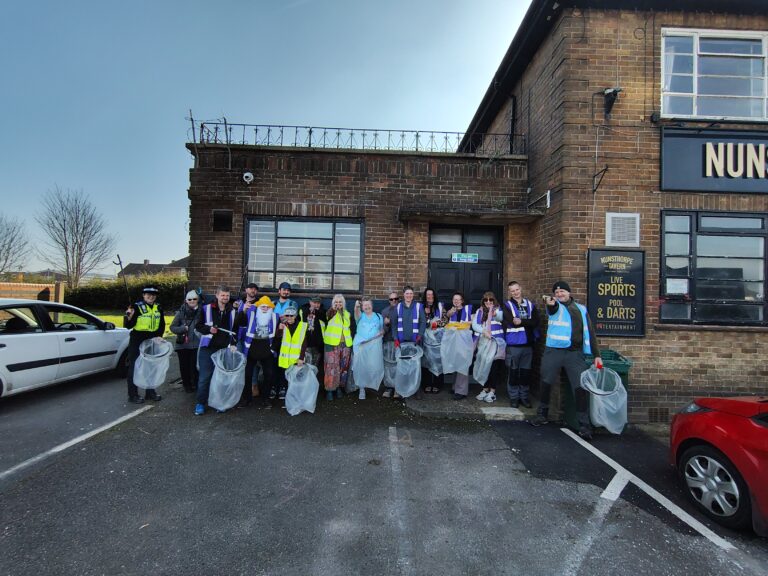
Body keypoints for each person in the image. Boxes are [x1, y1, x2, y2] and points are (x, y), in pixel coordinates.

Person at [531, 281, 602, 441]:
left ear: (569, 292)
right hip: (554, 352)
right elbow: (551, 307)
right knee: (546, 382)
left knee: (580, 387)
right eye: (556, 292)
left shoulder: (582, 309)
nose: (559, 294)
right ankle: (542, 415)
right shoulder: (555, 307)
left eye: (562, 291)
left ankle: (584, 425)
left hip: (574, 354)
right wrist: (550, 303)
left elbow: (590, 332)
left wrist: (597, 354)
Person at [194, 285, 237, 415]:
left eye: (227, 296)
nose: (225, 298)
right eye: (223, 295)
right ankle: (200, 403)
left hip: (224, 349)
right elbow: (198, 326)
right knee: (204, 378)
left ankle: (219, 403)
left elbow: (236, 330)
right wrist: (209, 329)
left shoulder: (233, 310)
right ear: (217, 295)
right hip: (208, 348)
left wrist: (233, 343)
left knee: (222, 379)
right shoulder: (206, 308)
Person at [124, 286, 166, 404]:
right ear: (143, 295)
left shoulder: (158, 307)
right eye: (148, 294)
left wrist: (159, 336)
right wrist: (129, 316)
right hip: (137, 339)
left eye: (153, 294)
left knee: (151, 367)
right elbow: (128, 325)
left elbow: (161, 324)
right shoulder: (136, 307)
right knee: (134, 367)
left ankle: (150, 392)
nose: (151, 296)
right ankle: (133, 395)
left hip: (152, 339)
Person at [504, 281, 540, 408]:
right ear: (509, 292)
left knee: (525, 373)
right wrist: (526, 322)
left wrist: (522, 321)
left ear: (521, 289)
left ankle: (524, 397)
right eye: (512, 291)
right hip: (514, 344)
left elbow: (535, 321)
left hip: (528, 344)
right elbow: (511, 322)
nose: (515, 292)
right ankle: (514, 397)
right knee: (513, 373)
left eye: (517, 289)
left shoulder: (530, 305)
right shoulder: (507, 305)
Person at [237, 296, 278, 408]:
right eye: (262, 306)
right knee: (247, 375)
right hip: (251, 349)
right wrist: (244, 310)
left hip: (267, 350)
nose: (265, 308)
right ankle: (246, 399)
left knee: (268, 375)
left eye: (267, 307)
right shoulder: (251, 315)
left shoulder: (275, 317)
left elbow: (278, 334)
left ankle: (266, 399)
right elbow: (240, 321)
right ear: (258, 307)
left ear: (271, 308)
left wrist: (273, 349)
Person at [388, 286, 425, 399]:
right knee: (402, 368)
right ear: (403, 295)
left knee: (416, 367)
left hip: (415, 342)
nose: (409, 295)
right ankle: (401, 389)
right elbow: (393, 324)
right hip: (401, 342)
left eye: (411, 293)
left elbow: (423, 322)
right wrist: (395, 338)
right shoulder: (398, 307)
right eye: (407, 293)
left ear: (413, 295)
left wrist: (420, 335)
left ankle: (415, 389)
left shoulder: (418, 306)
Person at [437, 292, 473, 400]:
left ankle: (461, 391)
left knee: (462, 364)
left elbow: (475, 321)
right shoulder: (450, 311)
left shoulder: (468, 309)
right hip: (453, 342)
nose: (456, 301)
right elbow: (442, 324)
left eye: (458, 299)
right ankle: (455, 387)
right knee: (454, 362)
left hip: (464, 341)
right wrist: (448, 315)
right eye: (454, 299)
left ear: (462, 301)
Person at [473, 291, 507, 404]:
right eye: (486, 300)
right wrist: (483, 331)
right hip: (484, 343)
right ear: (483, 301)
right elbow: (475, 325)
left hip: (497, 343)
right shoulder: (480, 311)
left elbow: (500, 318)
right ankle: (485, 389)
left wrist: (493, 312)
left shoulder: (498, 311)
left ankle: (492, 391)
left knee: (494, 367)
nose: (488, 302)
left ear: (494, 301)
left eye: (490, 300)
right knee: (484, 366)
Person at [272, 305, 308, 404]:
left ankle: (294, 398)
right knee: (284, 377)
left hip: (296, 359)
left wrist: (301, 358)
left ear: (295, 316)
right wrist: (279, 329)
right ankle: (285, 395)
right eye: (287, 315)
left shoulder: (301, 326)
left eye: (292, 316)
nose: (289, 318)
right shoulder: (282, 325)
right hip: (284, 357)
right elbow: (277, 339)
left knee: (295, 380)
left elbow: (304, 344)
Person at [352, 297, 385, 399]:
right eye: (364, 305)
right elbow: (356, 312)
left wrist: (382, 332)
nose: (367, 306)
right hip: (361, 346)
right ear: (362, 307)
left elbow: (381, 330)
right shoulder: (360, 316)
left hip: (373, 348)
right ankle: (362, 389)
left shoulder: (379, 316)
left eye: (368, 304)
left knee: (372, 366)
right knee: (361, 367)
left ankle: (372, 385)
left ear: (372, 305)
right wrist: (356, 306)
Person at [169, 290, 201, 393]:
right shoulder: (180, 312)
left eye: (194, 299)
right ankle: (186, 385)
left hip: (196, 344)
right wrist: (183, 328)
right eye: (189, 299)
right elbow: (172, 327)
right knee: (184, 367)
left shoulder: (202, 312)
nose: (192, 301)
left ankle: (196, 384)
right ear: (186, 301)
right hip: (183, 345)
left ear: (198, 300)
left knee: (195, 366)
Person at [323, 294, 353, 401]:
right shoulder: (330, 312)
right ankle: (330, 390)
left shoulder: (347, 314)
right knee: (331, 368)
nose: (338, 304)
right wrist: (334, 309)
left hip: (345, 345)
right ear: (333, 303)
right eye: (336, 302)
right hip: (332, 344)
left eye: (340, 302)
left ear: (343, 303)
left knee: (342, 367)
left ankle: (339, 387)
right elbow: (329, 316)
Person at [421, 287, 444, 394]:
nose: (430, 297)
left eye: (432, 295)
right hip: (425, 338)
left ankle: (437, 384)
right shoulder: (421, 307)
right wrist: (426, 315)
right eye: (428, 295)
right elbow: (420, 322)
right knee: (426, 361)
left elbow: (445, 321)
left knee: (437, 361)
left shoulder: (440, 306)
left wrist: (435, 324)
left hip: (437, 339)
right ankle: (427, 384)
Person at [299, 295, 326, 382]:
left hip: (318, 344)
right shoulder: (303, 310)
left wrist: (316, 312)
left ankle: (312, 385)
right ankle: (304, 385)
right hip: (305, 344)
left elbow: (324, 319)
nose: (316, 305)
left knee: (315, 367)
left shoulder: (322, 312)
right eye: (314, 303)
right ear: (310, 302)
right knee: (305, 366)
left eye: (318, 303)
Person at [379, 290, 399, 398]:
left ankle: (397, 388)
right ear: (389, 300)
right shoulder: (385, 311)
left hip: (399, 342)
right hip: (388, 341)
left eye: (396, 299)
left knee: (398, 365)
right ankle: (388, 387)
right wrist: (386, 324)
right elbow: (383, 330)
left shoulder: (402, 310)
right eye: (392, 299)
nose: (394, 301)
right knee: (387, 366)